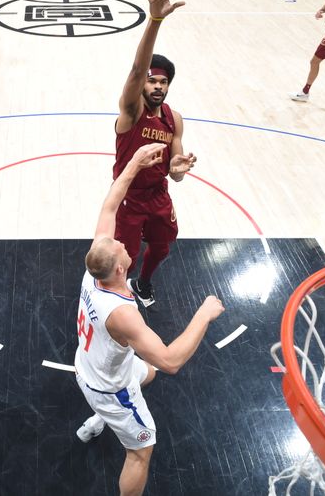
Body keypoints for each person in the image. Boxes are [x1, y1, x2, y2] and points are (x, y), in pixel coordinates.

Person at [74, 142, 225, 496]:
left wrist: (136, 163)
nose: (122, 242)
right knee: (141, 451)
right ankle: (108, 415)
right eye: (120, 247)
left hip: (89, 365)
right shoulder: (123, 315)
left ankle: (100, 419)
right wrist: (203, 315)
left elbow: (111, 202)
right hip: (109, 389)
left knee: (149, 373)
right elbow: (172, 360)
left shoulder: (94, 267)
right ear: (122, 267)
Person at [113, 0, 197, 308]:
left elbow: (175, 172)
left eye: (163, 82)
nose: (157, 86)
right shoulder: (131, 112)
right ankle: (118, 297)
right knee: (126, 257)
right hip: (129, 196)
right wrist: (155, 20)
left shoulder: (173, 119)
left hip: (158, 196)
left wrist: (177, 168)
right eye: (152, 81)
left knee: (161, 248)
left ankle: (144, 283)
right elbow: (136, 70)